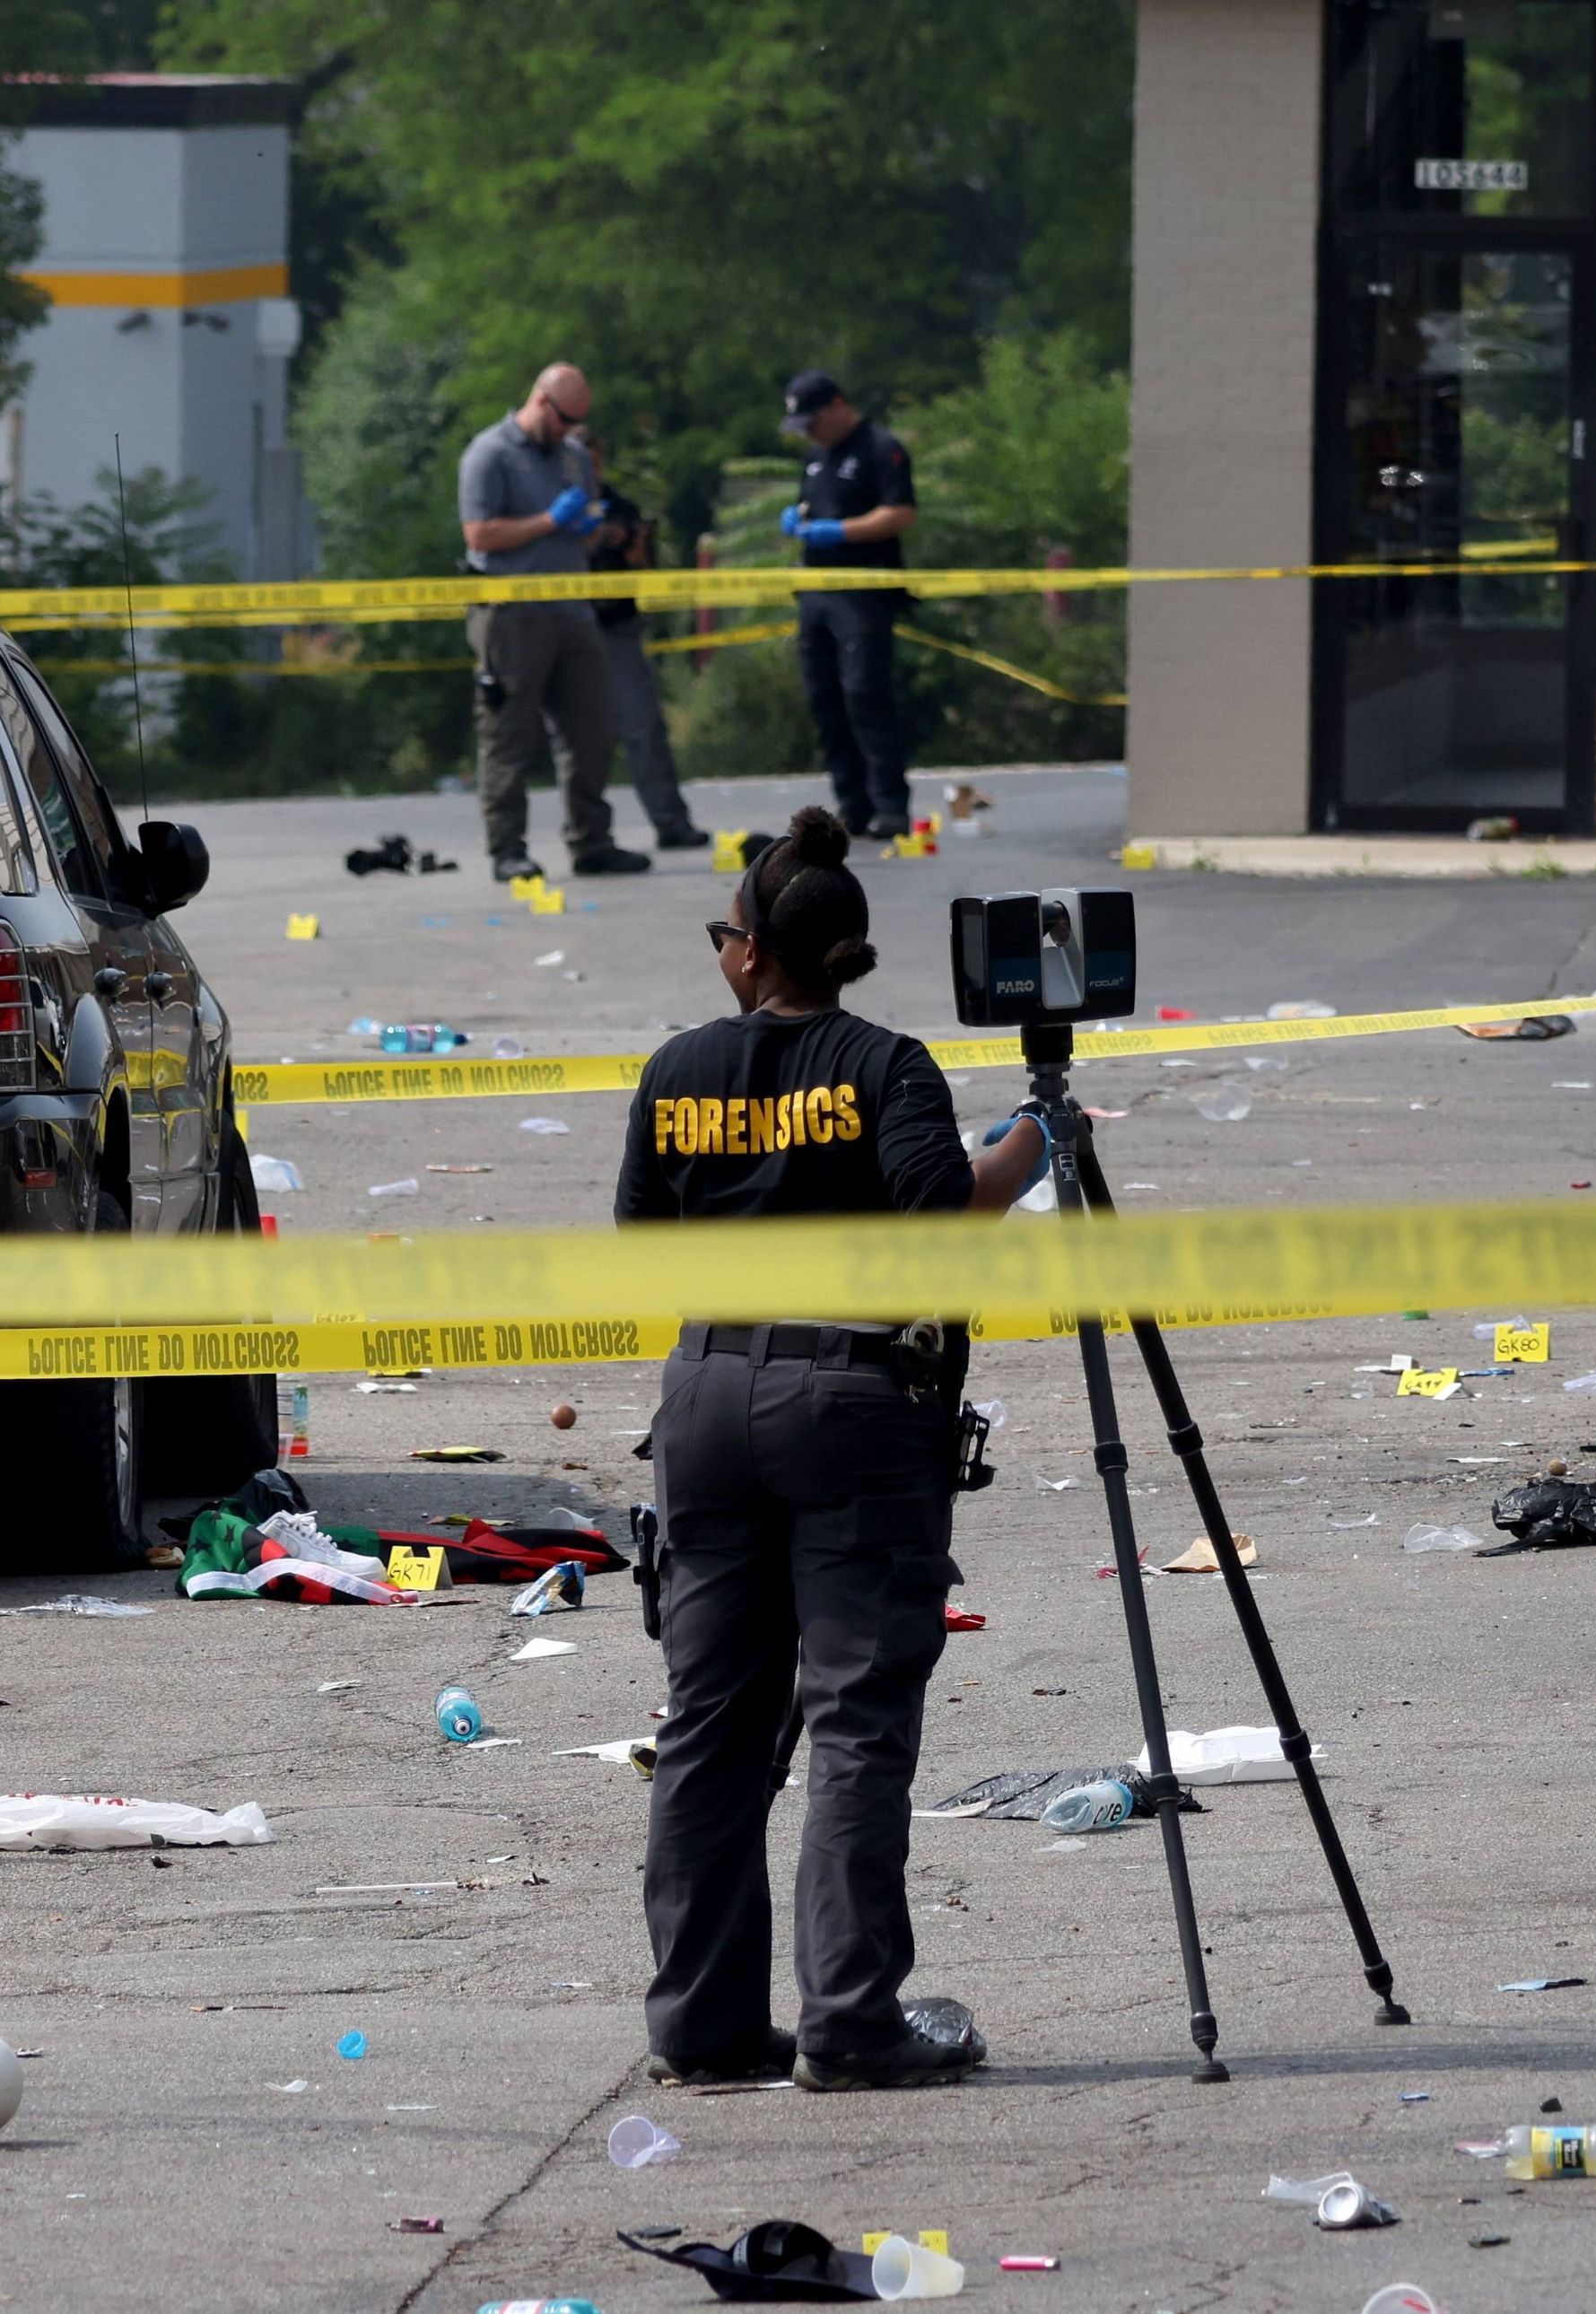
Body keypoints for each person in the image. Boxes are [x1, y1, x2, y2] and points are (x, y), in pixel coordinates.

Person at [617, 807, 1050, 2092]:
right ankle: (850, 2020)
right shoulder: (885, 1065)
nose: (720, 950)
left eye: (723, 931)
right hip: (854, 1401)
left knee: (710, 1721)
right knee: (854, 1715)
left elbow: (640, 1245)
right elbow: (940, 1217)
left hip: (707, 1396)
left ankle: (702, 2026)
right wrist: (1034, 1144)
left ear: (756, 951)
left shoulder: (677, 1068)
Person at [458, 363, 649, 883]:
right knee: (508, 734)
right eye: (564, 419)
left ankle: (592, 841)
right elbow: (479, 534)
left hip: (573, 610)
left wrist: (593, 530)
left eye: (576, 422)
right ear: (541, 401)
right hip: (512, 615)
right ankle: (507, 849)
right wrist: (548, 520)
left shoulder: (573, 457)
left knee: (593, 730)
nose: (569, 430)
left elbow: (580, 532)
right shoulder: (489, 454)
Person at [777, 371, 920, 840]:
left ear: (837, 405)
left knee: (865, 694)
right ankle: (852, 805)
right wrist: (798, 523)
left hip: (863, 594)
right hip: (816, 592)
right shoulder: (815, 458)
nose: (810, 433)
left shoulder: (880, 447)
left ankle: (890, 804)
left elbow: (901, 512)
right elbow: (807, 507)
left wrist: (840, 531)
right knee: (825, 699)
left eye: (813, 422)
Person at [550, 426, 708, 853]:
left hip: (616, 628)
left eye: (594, 461)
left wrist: (632, 544)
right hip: (569, 626)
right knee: (576, 737)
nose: (589, 470)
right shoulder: (552, 508)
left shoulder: (621, 507)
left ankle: (671, 822)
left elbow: (646, 572)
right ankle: (586, 834)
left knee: (643, 726)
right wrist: (588, 537)